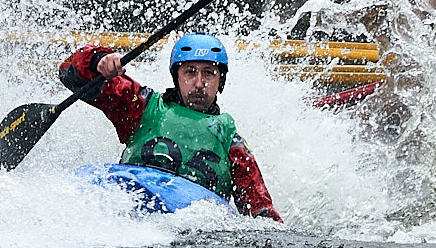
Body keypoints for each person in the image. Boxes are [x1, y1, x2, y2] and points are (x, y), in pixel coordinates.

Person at [58, 32, 281, 220]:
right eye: (190, 72)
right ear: (176, 77)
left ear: (220, 81)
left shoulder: (231, 142)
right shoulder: (142, 107)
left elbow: (261, 213)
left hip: (192, 236)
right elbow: (70, 72)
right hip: (128, 214)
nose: (199, 83)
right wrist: (99, 60)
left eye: (209, 73)